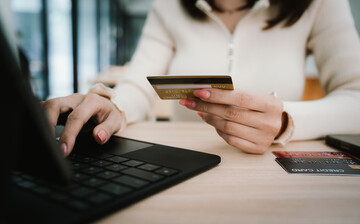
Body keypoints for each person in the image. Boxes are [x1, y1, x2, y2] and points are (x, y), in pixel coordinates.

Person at [42, 0, 360, 156]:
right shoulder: (168, 5)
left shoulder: (322, 4)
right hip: (189, 164)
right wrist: (113, 104)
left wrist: (287, 121)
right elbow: (139, 84)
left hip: (272, 170)